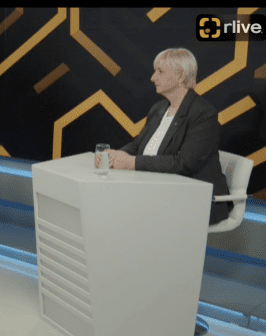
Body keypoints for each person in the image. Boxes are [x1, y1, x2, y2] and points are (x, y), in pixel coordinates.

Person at [97, 48, 232, 225]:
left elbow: (184, 163)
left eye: (160, 72)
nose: (153, 78)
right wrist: (115, 156)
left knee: (124, 212)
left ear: (180, 76)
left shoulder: (203, 114)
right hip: (157, 190)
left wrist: (130, 162)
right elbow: (138, 145)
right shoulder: (158, 109)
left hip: (194, 198)